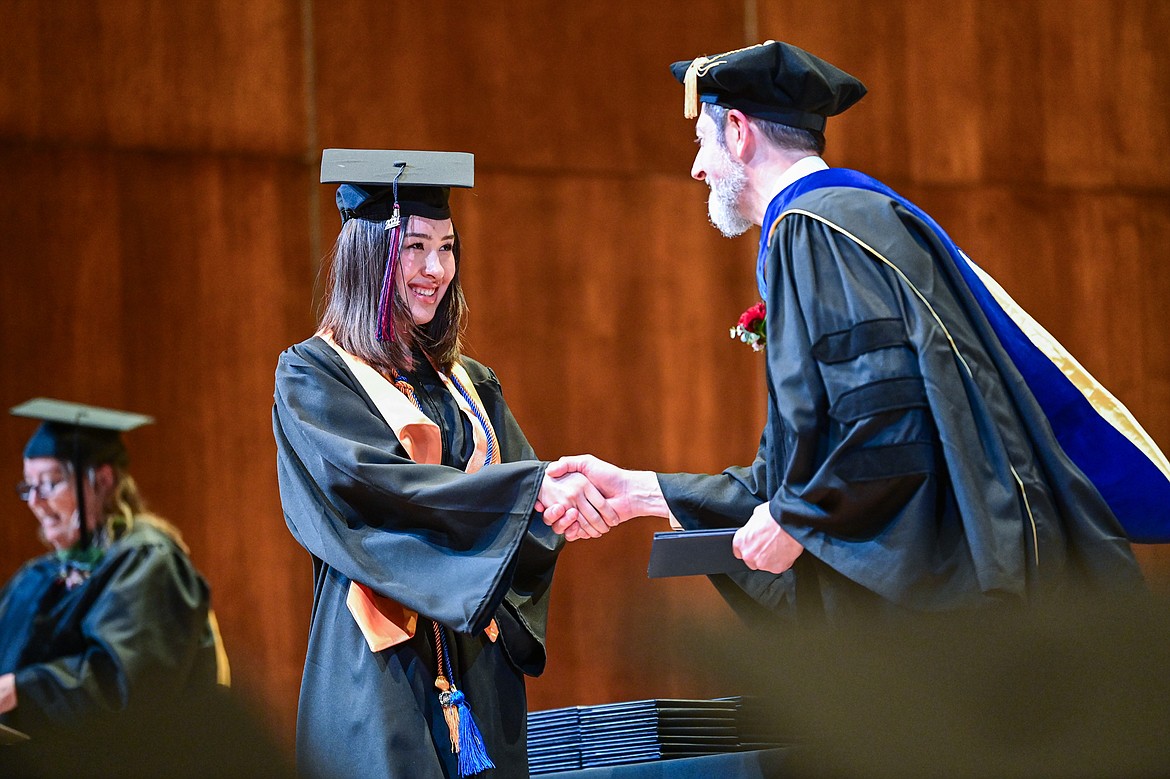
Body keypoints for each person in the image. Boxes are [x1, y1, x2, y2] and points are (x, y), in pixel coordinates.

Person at [545, 41, 1165, 621]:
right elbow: (796, 466)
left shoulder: (812, 229)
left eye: (701, 143)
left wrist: (795, 519)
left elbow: (888, 425)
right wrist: (639, 493)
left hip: (952, 615)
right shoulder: (853, 217)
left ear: (737, 132)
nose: (696, 169)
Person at [272, 149, 614, 779]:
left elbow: (525, 505)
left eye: (448, 247)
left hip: (479, 663)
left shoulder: (471, 384)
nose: (436, 269)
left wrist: (562, 505)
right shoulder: (314, 377)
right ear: (370, 254)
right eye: (416, 247)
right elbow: (375, 490)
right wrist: (531, 490)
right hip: (380, 667)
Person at [0, 398, 226, 740]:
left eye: (49, 483)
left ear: (102, 481)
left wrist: (20, 690)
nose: (35, 501)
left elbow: (125, 683)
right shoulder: (40, 575)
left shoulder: (146, 561)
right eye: (29, 487)